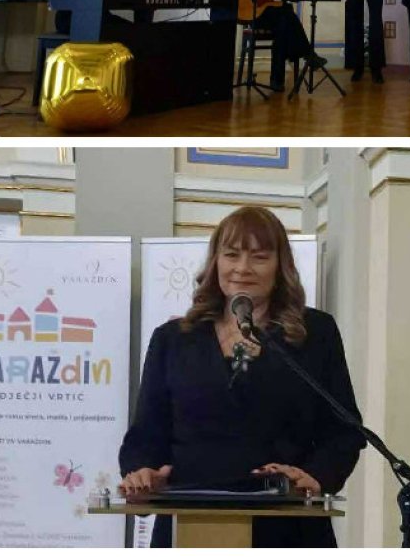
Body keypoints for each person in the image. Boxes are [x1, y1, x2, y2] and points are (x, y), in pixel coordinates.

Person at [118, 207, 364, 547]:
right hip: (191, 519)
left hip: (288, 525)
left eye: (259, 257)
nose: (242, 268)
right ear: (215, 262)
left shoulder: (315, 333)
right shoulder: (173, 339)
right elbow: (146, 433)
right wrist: (143, 472)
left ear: (280, 266)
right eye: (231, 255)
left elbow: (344, 431)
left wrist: (316, 477)